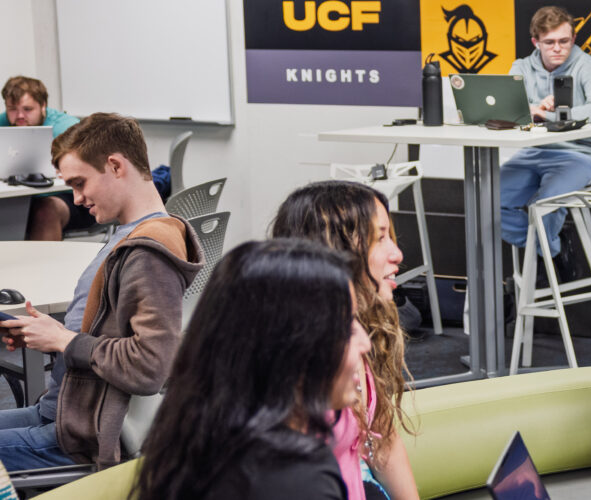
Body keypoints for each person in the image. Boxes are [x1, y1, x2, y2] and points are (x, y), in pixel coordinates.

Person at [0, 112, 202, 470]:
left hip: (77, 433)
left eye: (80, 183)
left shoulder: (148, 251)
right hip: (64, 409)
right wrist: (52, 334)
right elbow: (109, 328)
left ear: (115, 166)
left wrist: (65, 341)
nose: (76, 198)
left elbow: (150, 366)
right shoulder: (130, 232)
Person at [133, 239, 372, 499]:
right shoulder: (300, 480)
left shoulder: (200, 444)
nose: (366, 343)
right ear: (292, 347)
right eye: (347, 327)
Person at [270, 180, 419, 500]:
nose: (397, 253)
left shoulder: (357, 333)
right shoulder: (296, 371)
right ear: (335, 253)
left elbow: (382, 438)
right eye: (379, 238)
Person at [499, 6, 591, 270]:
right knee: (487, 199)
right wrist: (531, 109)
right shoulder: (521, 67)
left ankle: (542, 261)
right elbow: (506, 109)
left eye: (564, 41)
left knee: (545, 205)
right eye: (549, 42)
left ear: (573, 39)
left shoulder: (588, 66)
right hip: (533, 151)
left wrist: (550, 114)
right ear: (535, 42)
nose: (558, 48)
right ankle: (551, 249)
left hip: (579, 154)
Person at [3, 76, 90, 242]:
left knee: (45, 211)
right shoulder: (3, 122)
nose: (20, 116)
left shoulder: (68, 128)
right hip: (20, 198)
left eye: (27, 109)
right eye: (12, 109)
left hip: (71, 198)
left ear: (43, 106)